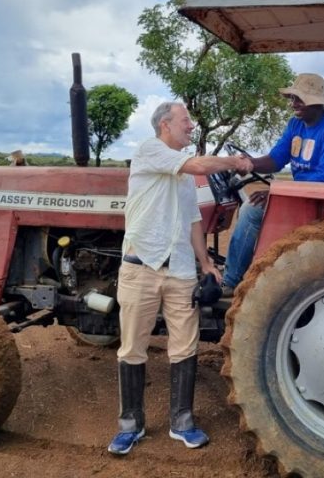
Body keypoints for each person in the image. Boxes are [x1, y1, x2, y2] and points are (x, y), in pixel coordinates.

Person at [108, 101, 253, 456]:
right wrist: (234, 161)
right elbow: (200, 163)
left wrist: (205, 263)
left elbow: (193, 221)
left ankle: (182, 421)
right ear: (164, 125)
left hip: (180, 269)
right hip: (141, 266)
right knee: (132, 346)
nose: (190, 126)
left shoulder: (186, 176)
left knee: (185, 345)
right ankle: (131, 425)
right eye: (185, 120)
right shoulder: (150, 151)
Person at [222, 73, 324, 293]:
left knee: (251, 210)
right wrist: (249, 164)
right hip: (300, 194)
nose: (293, 104)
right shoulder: (296, 125)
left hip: (319, 199)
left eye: (298, 99)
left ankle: (231, 280)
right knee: (248, 201)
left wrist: (277, 194)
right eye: (292, 98)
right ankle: (247, 271)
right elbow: (276, 159)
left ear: (315, 101)